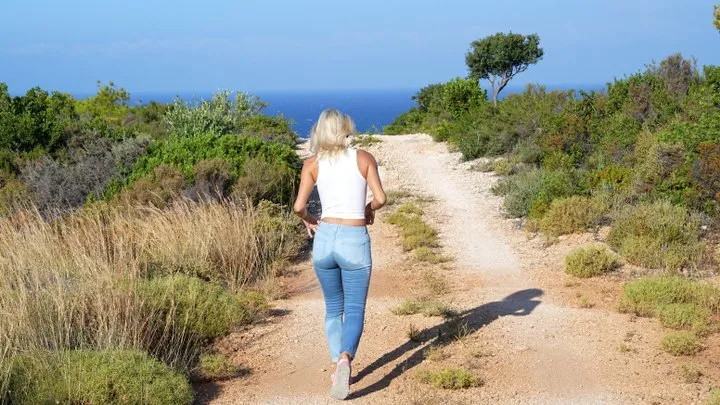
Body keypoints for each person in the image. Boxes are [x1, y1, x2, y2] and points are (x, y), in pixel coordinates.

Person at [293, 108, 386, 400]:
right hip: (353, 238)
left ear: (319, 131)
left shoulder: (312, 163)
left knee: (334, 308)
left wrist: (309, 218)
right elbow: (381, 198)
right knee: (355, 309)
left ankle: (336, 365)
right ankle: (346, 357)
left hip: (324, 239)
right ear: (346, 128)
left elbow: (298, 207)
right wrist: (368, 210)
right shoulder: (363, 158)